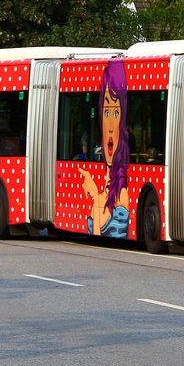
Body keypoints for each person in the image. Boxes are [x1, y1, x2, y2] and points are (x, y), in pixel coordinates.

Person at [79, 59, 130, 238]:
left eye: (116, 112)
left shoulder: (122, 195)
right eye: (106, 112)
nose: (109, 127)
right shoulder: (104, 192)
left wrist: (95, 197)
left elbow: (99, 238)